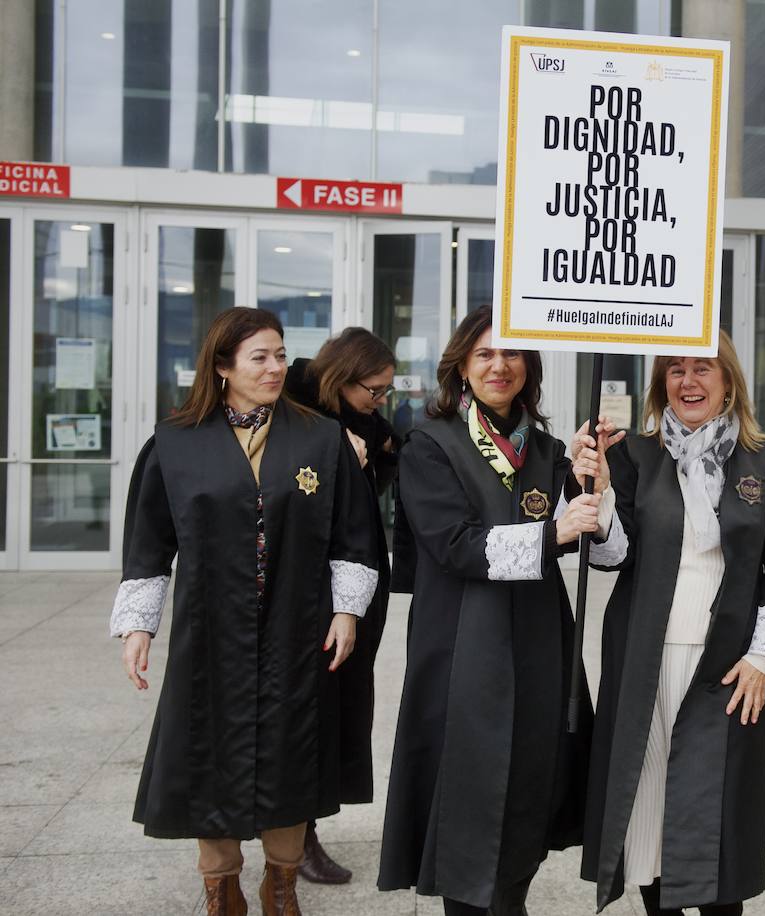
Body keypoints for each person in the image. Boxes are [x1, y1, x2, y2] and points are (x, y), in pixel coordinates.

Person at [109, 307, 379, 916]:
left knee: (291, 754)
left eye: (282, 354)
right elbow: (149, 543)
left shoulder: (320, 438)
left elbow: (352, 535)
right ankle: (221, 887)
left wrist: (347, 611)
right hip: (211, 634)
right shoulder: (176, 442)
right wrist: (137, 626)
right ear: (223, 365)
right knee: (210, 758)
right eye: (260, 357)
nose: (277, 367)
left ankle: (281, 885)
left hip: (296, 627)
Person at [377, 306, 598, 915]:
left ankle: (512, 897)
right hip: (462, 645)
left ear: (529, 366)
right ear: (462, 369)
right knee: (468, 797)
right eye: (484, 355)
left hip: (537, 640)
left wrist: (583, 481)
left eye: (512, 353)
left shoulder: (549, 447)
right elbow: (451, 545)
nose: (500, 366)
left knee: (532, 784)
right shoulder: (430, 443)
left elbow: (585, 533)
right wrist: (551, 535)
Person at [579, 332, 765, 915]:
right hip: (645, 659)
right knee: (652, 809)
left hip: (728, 664)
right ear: (662, 385)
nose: (688, 381)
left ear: (728, 379)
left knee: (717, 814)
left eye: (703, 368)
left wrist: (762, 659)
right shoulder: (636, 455)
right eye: (675, 369)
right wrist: (600, 495)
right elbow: (613, 555)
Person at [283, 328, 402, 884]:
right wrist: (332, 450)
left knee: (336, 708)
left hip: (354, 579)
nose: (379, 402)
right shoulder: (291, 404)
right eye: (373, 391)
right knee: (301, 712)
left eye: (386, 392)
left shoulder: (365, 421)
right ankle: (291, 837)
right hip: (296, 581)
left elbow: (388, 457)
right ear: (342, 376)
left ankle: (304, 832)